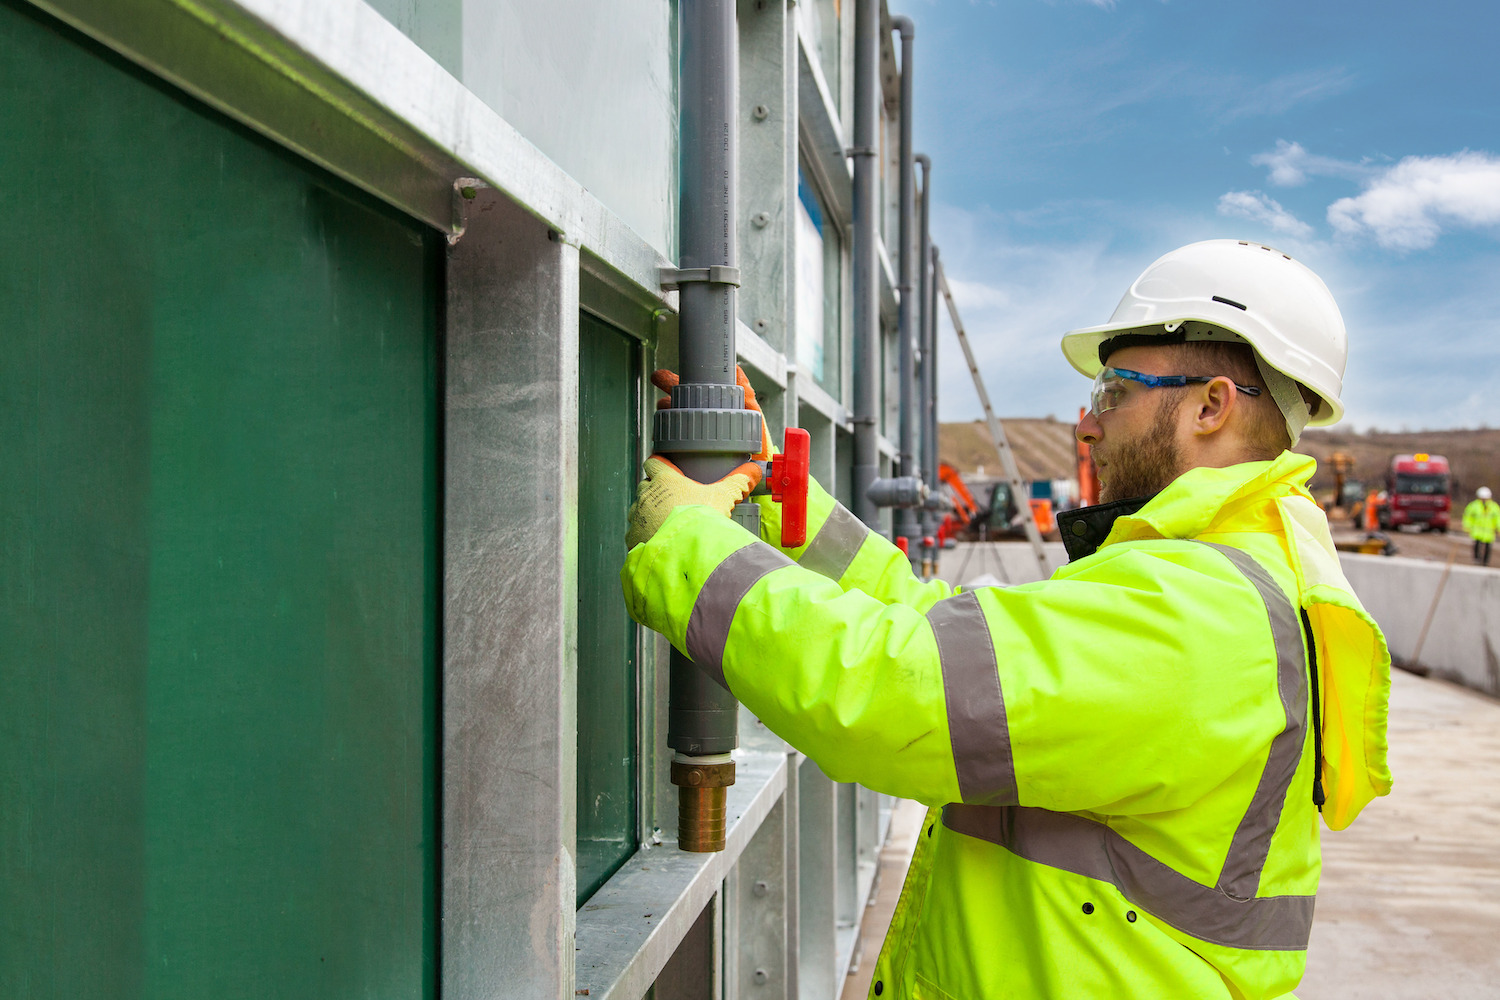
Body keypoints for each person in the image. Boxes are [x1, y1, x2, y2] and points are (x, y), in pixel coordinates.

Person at [622, 240, 1392, 999]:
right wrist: (787, 501)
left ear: (1210, 405)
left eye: (1114, 391)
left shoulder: (1196, 615)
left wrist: (686, 543)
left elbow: (895, 695)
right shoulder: (1211, 574)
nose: (1089, 425)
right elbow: (946, 633)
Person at [1462, 486, 1500, 566]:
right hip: (1477, 530)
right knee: (1477, 544)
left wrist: (1498, 528)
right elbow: (1468, 517)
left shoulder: (1494, 507)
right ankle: (1476, 558)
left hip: (1488, 531)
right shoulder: (1473, 506)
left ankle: (1486, 561)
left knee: (1488, 546)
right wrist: (1467, 526)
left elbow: (1497, 518)